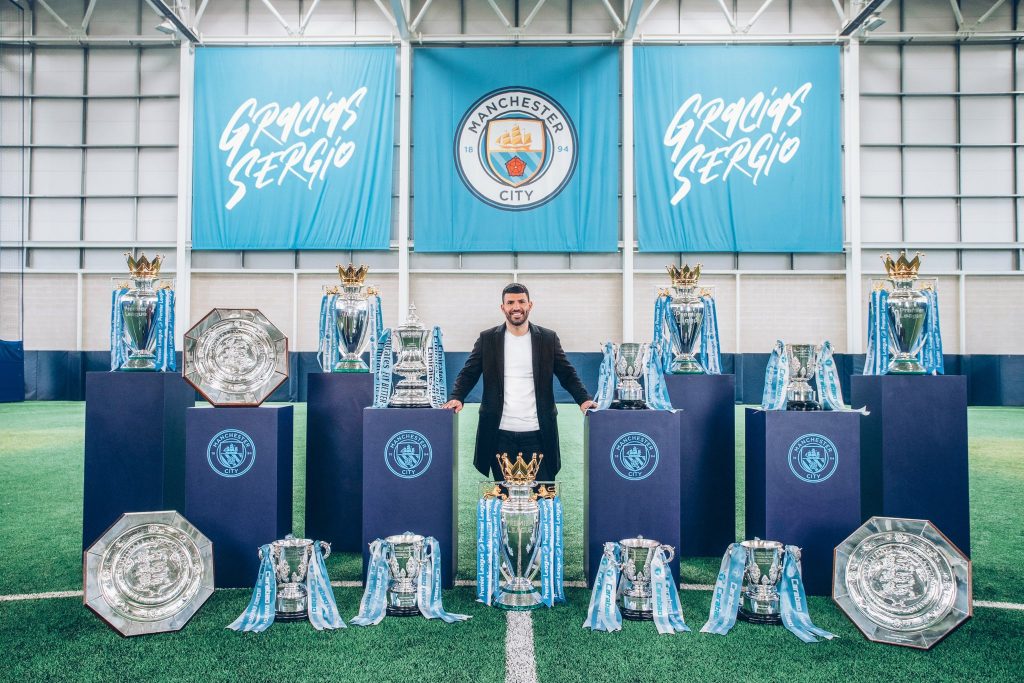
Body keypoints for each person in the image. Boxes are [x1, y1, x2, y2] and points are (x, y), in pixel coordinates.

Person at [443, 283, 598, 482]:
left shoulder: (548, 339)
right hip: (499, 433)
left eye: (521, 301)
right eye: (510, 302)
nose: (516, 307)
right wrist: (457, 397)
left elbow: (567, 373)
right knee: (504, 498)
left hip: (538, 432)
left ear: (530, 305)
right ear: (503, 308)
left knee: (541, 497)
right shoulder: (487, 339)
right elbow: (468, 373)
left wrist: (583, 399)